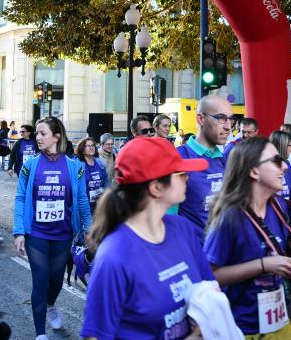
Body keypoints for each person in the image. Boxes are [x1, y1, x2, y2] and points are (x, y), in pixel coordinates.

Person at [81, 136, 215, 339]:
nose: (187, 177)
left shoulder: (184, 229)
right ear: (156, 187)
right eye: (180, 173)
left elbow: (209, 290)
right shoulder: (114, 256)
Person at [205, 137, 291, 337]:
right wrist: (264, 265)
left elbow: (278, 241)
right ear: (254, 171)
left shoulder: (277, 206)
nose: (286, 167)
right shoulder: (230, 216)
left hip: (280, 324)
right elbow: (210, 276)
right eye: (277, 161)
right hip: (243, 329)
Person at [13, 117, 91, 340]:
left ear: (57, 136)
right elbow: (20, 197)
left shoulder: (75, 167)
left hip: (63, 233)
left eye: (42, 133)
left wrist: (90, 228)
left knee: (56, 280)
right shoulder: (30, 165)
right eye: (36, 133)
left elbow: (83, 200)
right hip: (36, 232)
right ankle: (40, 334)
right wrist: (19, 231)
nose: (37, 137)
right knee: (40, 280)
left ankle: (50, 304)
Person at [176, 95, 230, 241]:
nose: (228, 126)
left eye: (230, 119)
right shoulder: (178, 157)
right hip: (194, 254)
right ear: (201, 119)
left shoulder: (224, 158)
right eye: (221, 118)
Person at [75, 137, 110, 216]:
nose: (91, 148)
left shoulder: (100, 162)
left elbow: (106, 182)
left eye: (93, 145)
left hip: (100, 206)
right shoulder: (77, 165)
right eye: (88, 146)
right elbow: (75, 185)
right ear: (82, 149)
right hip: (85, 207)